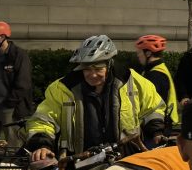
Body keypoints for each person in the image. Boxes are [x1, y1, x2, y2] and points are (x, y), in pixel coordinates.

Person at [26, 35, 166, 161]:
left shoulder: (132, 81)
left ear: (109, 65)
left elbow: (153, 108)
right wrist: (42, 146)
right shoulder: (62, 88)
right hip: (79, 164)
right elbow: (43, 120)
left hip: (127, 161)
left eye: (98, 69)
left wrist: (156, 131)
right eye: (87, 69)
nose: (92, 75)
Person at [135, 35, 179, 130]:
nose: (138, 55)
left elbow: (153, 105)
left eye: (139, 52)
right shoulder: (157, 69)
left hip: (156, 127)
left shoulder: (155, 75)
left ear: (148, 53)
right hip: (159, 124)